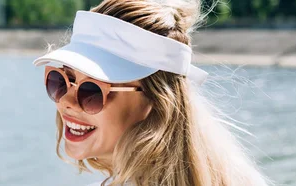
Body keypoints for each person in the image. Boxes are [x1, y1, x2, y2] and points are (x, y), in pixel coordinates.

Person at [32, 0, 269, 185]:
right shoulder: (234, 175)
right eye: (61, 80)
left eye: (92, 90)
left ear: (156, 102)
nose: (66, 101)